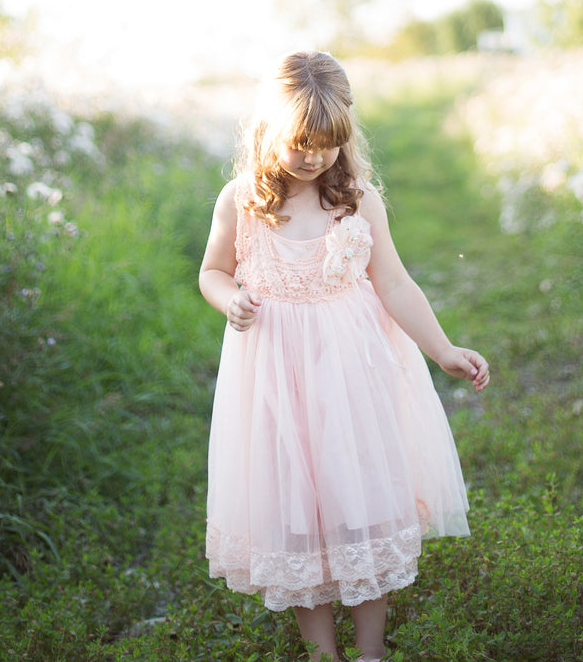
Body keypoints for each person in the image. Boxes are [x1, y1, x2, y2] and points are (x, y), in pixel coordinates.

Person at [199, 50, 489, 662]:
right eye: (302, 142)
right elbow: (212, 271)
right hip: (277, 379)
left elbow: (395, 285)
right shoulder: (242, 203)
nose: (315, 157)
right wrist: (230, 301)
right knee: (295, 510)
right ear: (268, 130)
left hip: (353, 376)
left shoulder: (358, 201)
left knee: (364, 501)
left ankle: (371, 650)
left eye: (329, 144)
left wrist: (442, 349)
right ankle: (321, 652)